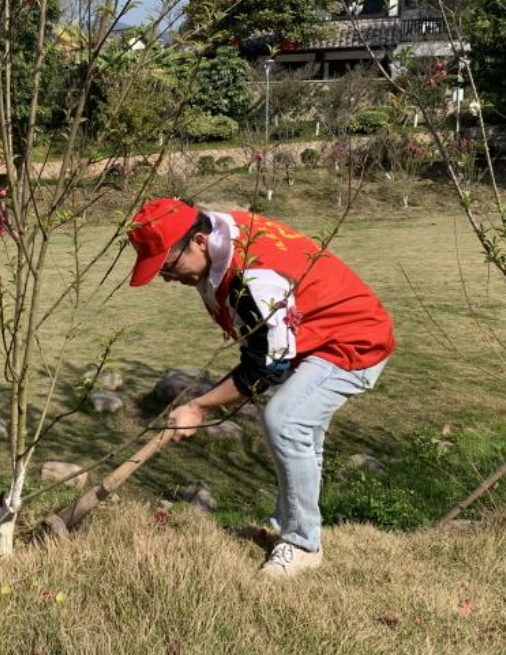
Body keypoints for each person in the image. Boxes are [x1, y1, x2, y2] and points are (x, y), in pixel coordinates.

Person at [128, 199, 394, 578]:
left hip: (353, 340)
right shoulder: (222, 233)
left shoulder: (254, 277)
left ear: (199, 241)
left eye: (168, 266)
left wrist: (198, 408)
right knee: (296, 430)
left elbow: (264, 368)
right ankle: (288, 523)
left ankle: (303, 543)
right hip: (314, 336)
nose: (167, 278)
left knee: (285, 421)